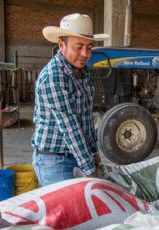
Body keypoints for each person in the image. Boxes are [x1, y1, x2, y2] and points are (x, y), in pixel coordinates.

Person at [31, 13, 108, 186]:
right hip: (55, 161)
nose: (85, 54)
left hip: (79, 155)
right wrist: (90, 170)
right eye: (78, 47)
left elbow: (87, 118)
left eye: (89, 47)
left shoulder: (83, 72)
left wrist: (94, 152)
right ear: (61, 45)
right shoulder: (54, 77)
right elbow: (70, 126)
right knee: (68, 211)